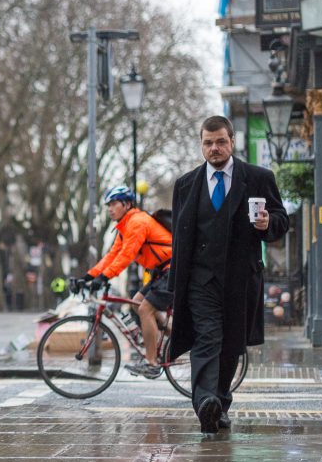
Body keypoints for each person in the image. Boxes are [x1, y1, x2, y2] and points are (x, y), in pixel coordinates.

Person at [168, 116, 288, 433]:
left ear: (232, 141)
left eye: (221, 141)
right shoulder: (185, 185)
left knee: (230, 346)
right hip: (199, 281)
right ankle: (206, 400)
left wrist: (267, 224)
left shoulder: (259, 178)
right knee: (207, 339)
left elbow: (280, 219)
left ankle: (218, 403)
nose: (214, 148)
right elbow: (179, 240)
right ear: (201, 145)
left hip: (239, 280)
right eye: (208, 143)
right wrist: (172, 287)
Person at [76, 185, 173, 379]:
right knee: (138, 303)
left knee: (145, 309)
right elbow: (112, 256)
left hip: (173, 268)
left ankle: (152, 362)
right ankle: (173, 336)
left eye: (114, 204)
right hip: (160, 271)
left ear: (127, 204)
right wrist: (89, 276)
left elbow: (126, 256)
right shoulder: (124, 226)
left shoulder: (137, 222)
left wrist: (104, 277)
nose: (110, 209)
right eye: (108, 205)